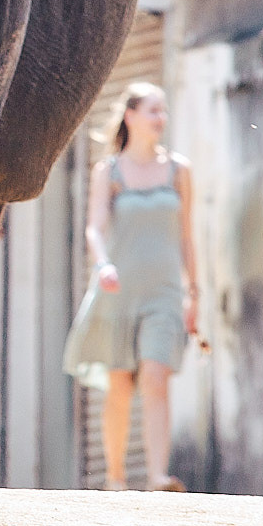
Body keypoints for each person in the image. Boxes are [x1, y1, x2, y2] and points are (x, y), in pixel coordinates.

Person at [63, 82, 198, 491]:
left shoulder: (179, 170)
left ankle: (158, 475)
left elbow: (188, 236)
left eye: (164, 111)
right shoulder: (110, 171)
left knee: (157, 375)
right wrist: (102, 264)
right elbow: (94, 227)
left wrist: (196, 292)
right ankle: (116, 478)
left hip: (164, 293)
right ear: (131, 115)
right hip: (118, 290)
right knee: (119, 382)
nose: (161, 118)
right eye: (153, 110)